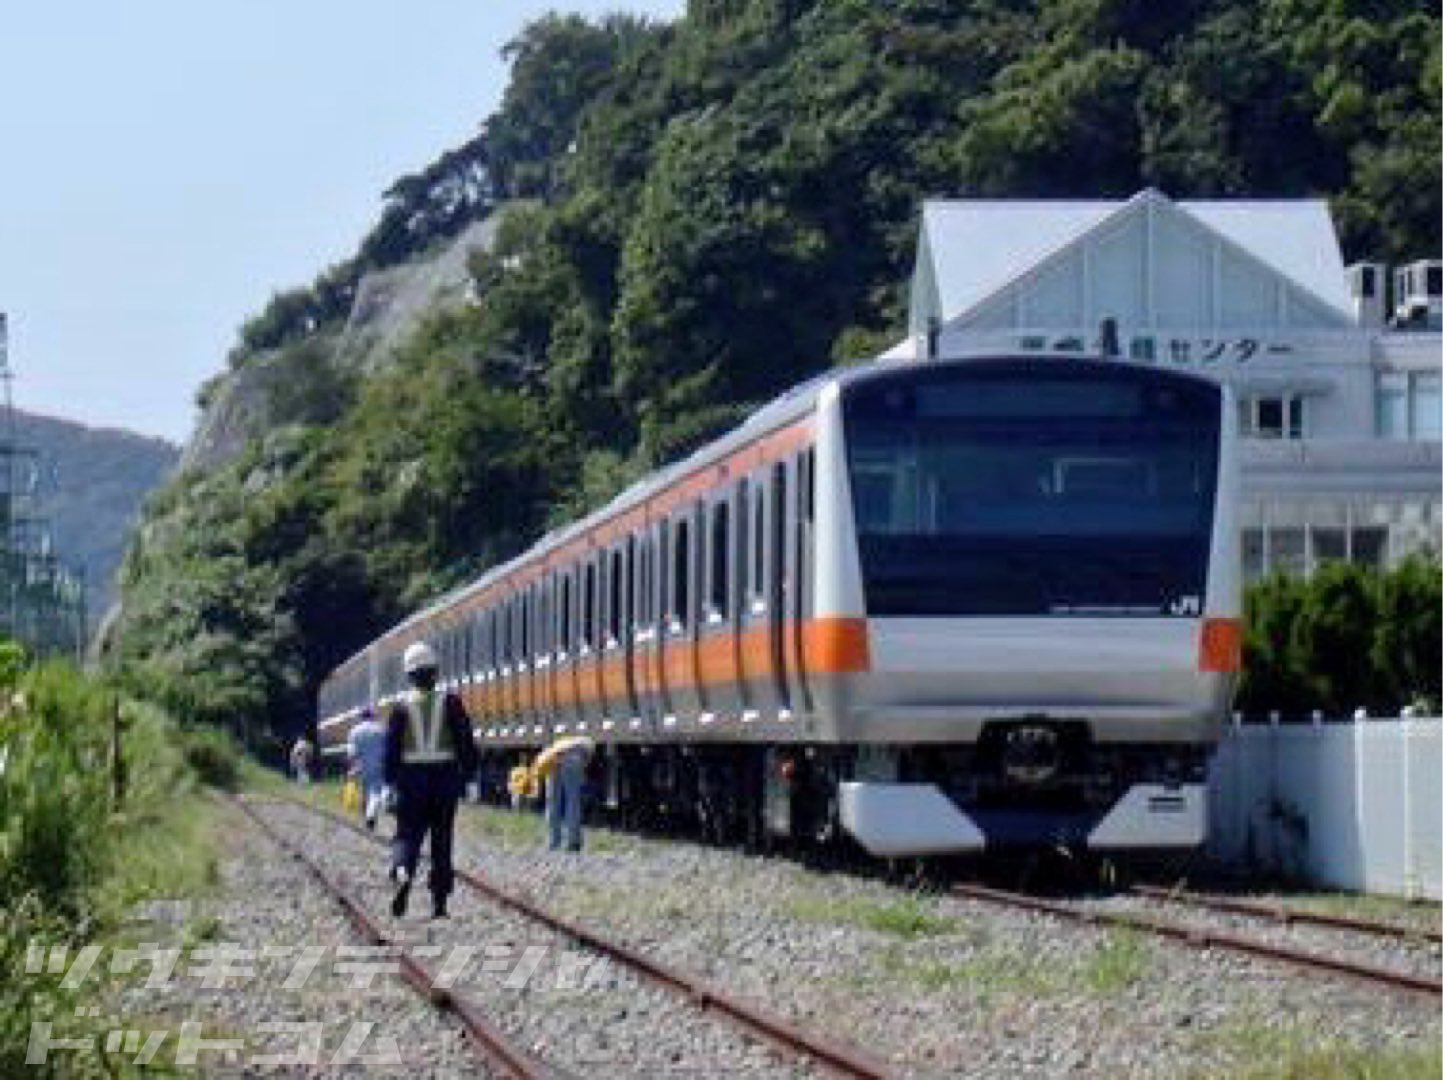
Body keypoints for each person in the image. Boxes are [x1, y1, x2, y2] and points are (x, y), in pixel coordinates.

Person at [383, 640, 477, 919]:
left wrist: (390, 784)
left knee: (407, 835)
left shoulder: (401, 708)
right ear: (435, 672)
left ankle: (402, 871)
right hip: (444, 778)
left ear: (409, 674)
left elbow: (391, 750)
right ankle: (439, 902)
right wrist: (469, 778)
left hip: (411, 780)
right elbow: (465, 742)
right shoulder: (450, 702)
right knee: (441, 839)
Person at [532, 735, 595, 852]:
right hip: (572, 757)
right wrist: (581, 771)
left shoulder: (562, 742)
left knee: (552, 802)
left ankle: (553, 842)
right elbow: (585, 762)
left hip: (552, 756)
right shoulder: (586, 747)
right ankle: (572, 842)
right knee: (572, 800)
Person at [346, 707, 387, 830]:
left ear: (361, 717)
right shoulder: (381, 729)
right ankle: (370, 816)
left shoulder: (354, 731)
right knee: (375, 791)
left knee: (365, 791)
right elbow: (387, 748)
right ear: (372, 716)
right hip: (379, 764)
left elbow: (351, 752)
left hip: (361, 765)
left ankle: (367, 816)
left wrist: (352, 767)